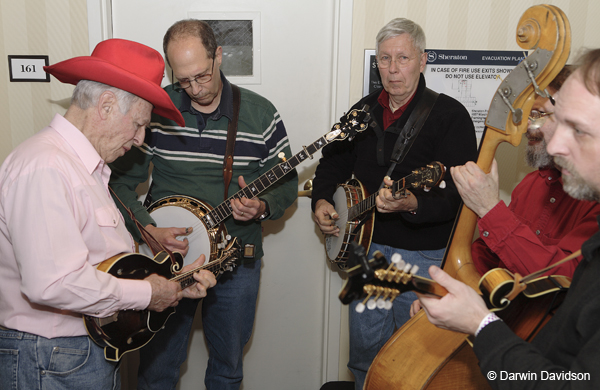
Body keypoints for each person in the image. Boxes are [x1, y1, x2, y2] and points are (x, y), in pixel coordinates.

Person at [0, 39, 216, 390]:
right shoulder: (45, 167)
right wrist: (147, 294)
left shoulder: (85, 170)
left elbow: (103, 265)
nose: (140, 138)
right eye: (139, 124)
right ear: (106, 105)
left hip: (73, 354)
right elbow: (52, 283)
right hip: (49, 357)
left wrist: (172, 286)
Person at [108, 20, 298, 390]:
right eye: (183, 81)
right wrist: (150, 229)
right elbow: (120, 184)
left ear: (219, 56)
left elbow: (287, 182)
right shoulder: (156, 112)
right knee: (157, 368)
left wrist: (261, 206)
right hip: (168, 262)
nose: (195, 89)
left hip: (236, 263)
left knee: (227, 369)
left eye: (202, 76)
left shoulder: (261, 114)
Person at [417, 48, 600, 389]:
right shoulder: (533, 184)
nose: (552, 139)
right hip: (514, 346)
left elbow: (560, 277)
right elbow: (488, 258)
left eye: (574, 127)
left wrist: (489, 209)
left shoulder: (589, 200)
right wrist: (447, 291)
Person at [310, 18, 477, 389]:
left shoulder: (452, 117)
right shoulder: (362, 110)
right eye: (385, 59)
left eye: (403, 58)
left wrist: (414, 203)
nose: (393, 68)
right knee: (364, 356)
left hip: (424, 257)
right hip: (366, 251)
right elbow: (332, 162)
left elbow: (460, 197)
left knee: (419, 361)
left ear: (422, 60)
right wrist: (321, 199)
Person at [453, 66, 600, 277]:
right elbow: (490, 253)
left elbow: (565, 277)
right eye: (527, 116)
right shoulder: (531, 183)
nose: (528, 127)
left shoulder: (593, 195)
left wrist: (489, 208)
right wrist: (452, 285)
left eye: (539, 114)